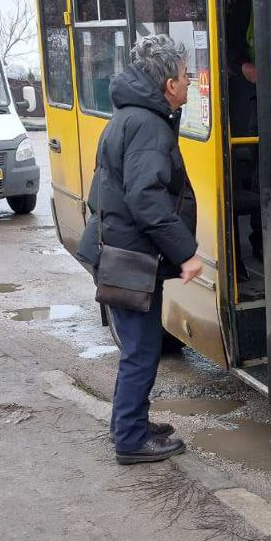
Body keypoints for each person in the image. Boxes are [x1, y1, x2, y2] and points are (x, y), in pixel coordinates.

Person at [94, 34, 204, 464]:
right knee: (141, 351)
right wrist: (186, 254)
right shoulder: (148, 125)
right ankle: (131, 440)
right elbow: (147, 200)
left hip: (124, 252)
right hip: (132, 258)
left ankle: (129, 424)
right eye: (183, 76)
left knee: (138, 348)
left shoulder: (131, 116)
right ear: (166, 84)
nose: (189, 83)